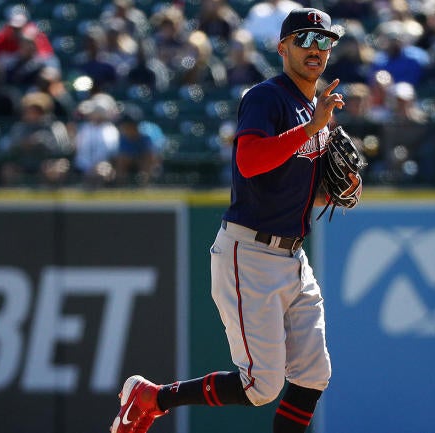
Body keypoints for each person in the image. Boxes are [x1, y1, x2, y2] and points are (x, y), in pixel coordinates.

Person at [110, 8, 359, 433]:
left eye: (324, 41)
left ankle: (153, 397)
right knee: (261, 386)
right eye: (305, 39)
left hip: (293, 259)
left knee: (313, 375)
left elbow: (292, 181)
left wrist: (337, 189)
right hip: (251, 252)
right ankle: (153, 397)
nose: (316, 49)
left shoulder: (313, 109)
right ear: (283, 47)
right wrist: (312, 128)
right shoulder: (266, 97)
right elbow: (249, 161)